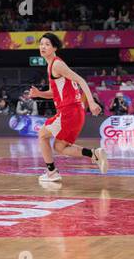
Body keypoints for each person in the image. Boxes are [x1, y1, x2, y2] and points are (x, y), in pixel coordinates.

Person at [29, 33, 108, 185]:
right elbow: (55, 93)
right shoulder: (51, 65)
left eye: (47, 44)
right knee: (59, 146)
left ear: (54, 48)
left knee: (42, 135)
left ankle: (51, 172)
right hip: (75, 112)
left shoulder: (57, 64)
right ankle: (93, 154)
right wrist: (39, 94)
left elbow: (81, 80)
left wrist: (91, 103)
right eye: (41, 44)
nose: (43, 47)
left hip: (68, 111)